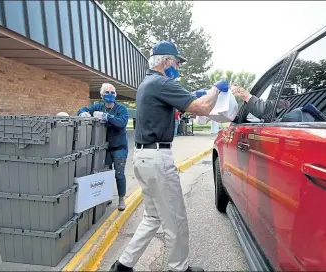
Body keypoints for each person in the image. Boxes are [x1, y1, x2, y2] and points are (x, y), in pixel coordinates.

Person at [110, 40, 237, 272]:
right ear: (166, 61)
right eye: (177, 63)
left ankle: (123, 265)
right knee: (176, 219)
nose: (178, 67)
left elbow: (176, 103)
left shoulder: (148, 83)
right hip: (158, 159)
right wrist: (216, 89)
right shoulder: (162, 82)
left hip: (143, 157)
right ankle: (178, 268)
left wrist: (193, 95)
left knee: (152, 216)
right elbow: (201, 108)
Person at [77, 83, 129, 211]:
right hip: (104, 149)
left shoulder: (121, 109)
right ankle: (106, 197)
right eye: (107, 92)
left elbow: (121, 123)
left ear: (116, 95)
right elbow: (82, 110)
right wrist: (83, 113)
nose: (110, 95)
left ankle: (121, 198)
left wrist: (107, 117)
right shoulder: (98, 106)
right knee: (105, 173)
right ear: (101, 95)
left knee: (119, 173)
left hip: (119, 147)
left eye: (112, 92)